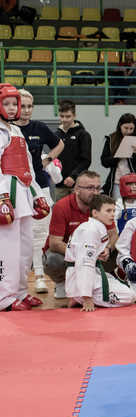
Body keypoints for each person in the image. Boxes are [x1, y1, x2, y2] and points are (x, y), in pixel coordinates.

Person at [0, 83, 49, 311]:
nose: (11, 109)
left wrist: (38, 195)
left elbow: (28, 166)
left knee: (25, 249)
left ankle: (20, 291)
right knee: (7, 250)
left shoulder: (16, 131)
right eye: (6, 104)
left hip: (24, 192)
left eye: (14, 104)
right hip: (7, 195)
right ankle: (4, 298)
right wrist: (2, 199)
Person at [15, 89, 65, 293]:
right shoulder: (7, 129)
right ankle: (16, 282)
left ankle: (40, 276)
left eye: (29, 106)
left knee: (39, 233)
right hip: (15, 187)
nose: (26, 111)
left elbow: (59, 144)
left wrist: (47, 160)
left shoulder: (40, 127)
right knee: (15, 235)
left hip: (40, 185)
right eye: (22, 106)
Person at [43, 171, 118, 298]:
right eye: (90, 188)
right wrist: (84, 254)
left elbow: (113, 234)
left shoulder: (101, 205)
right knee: (53, 260)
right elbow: (55, 243)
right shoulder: (61, 207)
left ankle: (98, 279)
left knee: (118, 252)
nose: (95, 192)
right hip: (69, 255)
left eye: (97, 188)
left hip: (94, 254)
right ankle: (61, 283)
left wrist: (108, 248)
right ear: (77, 189)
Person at [64, 194, 136, 311]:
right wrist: (87, 297)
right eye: (108, 211)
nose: (112, 214)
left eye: (113, 210)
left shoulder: (95, 227)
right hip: (80, 276)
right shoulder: (90, 231)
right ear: (95, 213)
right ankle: (80, 297)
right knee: (130, 296)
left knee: (128, 288)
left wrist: (102, 253)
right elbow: (85, 263)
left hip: (91, 273)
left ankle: (78, 295)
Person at [100, 113, 136, 198]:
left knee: (133, 207)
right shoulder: (111, 139)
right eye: (125, 128)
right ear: (120, 126)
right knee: (118, 207)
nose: (128, 131)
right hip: (117, 182)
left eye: (131, 128)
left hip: (134, 182)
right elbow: (104, 162)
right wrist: (118, 157)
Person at [53, 100, 92, 202]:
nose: (64, 119)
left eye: (68, 116)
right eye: (62, 116)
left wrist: (73, 176)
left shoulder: (83, 135)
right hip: (60, 185)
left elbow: (86, 161)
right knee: (61, 215)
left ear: (74, 115)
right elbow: (53, 158)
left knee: (77, 215)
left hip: (78, 185)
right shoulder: (56, 135)